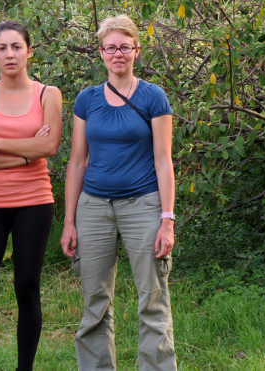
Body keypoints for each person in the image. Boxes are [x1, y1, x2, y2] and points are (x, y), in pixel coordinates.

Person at [60, 14, 177, 371]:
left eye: (125, 47)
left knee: (152, 299)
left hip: (143, 205)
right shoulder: (87, 100)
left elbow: (163, 161)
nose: (118, 54)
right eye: (110, 47)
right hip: (93, 208)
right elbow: (77, 162)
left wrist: (166, 220)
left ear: (136, 50)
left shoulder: (153, 97)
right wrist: (69, 221)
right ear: (101, 53)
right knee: (95, 300)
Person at [0, 20, 63, 371]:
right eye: (2, 48)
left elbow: (49, 145)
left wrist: (1, 143)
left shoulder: (48, 94)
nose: (9, 54)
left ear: (29, 51)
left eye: (16, 46)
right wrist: (25, 153)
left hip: (34, 202)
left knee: (27, 286)